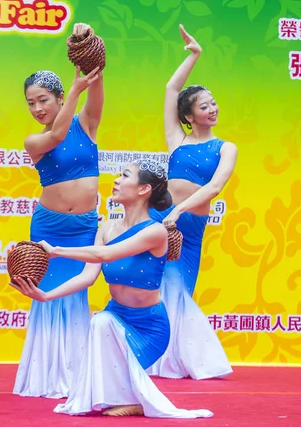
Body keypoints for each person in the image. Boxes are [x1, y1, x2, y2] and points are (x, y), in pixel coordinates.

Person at [11, 161, 212, 419]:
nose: (116, 180)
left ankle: (134, 399)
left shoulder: (155, 231)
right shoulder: (106, 228)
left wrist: (56, 250)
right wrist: (46, 296)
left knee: (102, 322)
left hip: (148, 328)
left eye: (125, 176)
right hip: (115, 318)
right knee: (101, 321)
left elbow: (104, 254)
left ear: (144, 189)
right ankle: (128, 399)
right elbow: (87, 275)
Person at [13, 22, 105, 399]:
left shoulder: (87, 123)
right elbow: (56, 136)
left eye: (43, 100)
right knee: (48, 292)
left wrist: (88, 47)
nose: (36, 108)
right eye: (31, 102)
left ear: (59, 96)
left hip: (84, 226)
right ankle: (45, 377)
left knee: (75, 295)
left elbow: (95, 87)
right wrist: (75, 94)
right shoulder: (35, 139)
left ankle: (74, 375)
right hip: (50, 227)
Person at [146, 24, 236, 380]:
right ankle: (157, 355)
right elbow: (171, 89)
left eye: (213, 103)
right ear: (188, 116)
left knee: (179, 288)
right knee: (155, 285)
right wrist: (193, 55)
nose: (212, 109)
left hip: (188, 226)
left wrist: (180, 210)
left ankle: (180, 357)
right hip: (160, 220)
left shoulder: (225, 147)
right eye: (204, 105)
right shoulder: (177, 140)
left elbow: (214, 187)